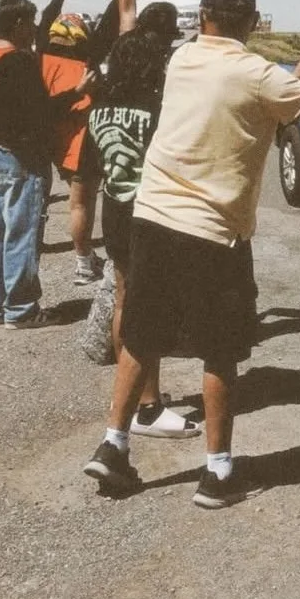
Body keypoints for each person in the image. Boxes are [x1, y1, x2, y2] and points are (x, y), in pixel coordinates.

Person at [83, 0, 300, 507]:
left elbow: (211, 50)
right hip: (214, 231)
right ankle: (217, 473)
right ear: (254, 22)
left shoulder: (183, 59)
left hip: (153, 215)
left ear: (203, 18)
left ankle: (113, 444)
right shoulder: (263, 76)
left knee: (142, 335)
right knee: (220, 351)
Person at [87, 25, 199, 437]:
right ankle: (148, 405)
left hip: (113, 209)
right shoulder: (157, 109)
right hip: (148, 213)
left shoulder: (99, 106)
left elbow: (92, 164)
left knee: (123, 298)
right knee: (148, 307)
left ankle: (130, 394)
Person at [0, 0, 91, 327]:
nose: (36, 28)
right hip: (20, 157)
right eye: (32, 22)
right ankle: (22, 309)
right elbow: (40, 113)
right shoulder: (20, 62)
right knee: (22, 233)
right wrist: (76, 93)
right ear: (18, 25)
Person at [39, 10, 104, 284]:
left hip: (53, 142)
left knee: (53, 200)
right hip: (81, 141)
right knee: (81, 204)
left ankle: (43, 249)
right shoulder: (86, 68)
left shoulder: (39, 61)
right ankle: (83, 263)